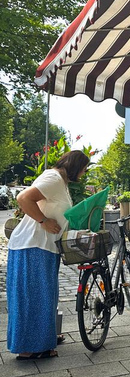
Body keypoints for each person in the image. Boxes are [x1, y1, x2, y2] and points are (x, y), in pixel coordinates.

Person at [6, 150, 90, 360]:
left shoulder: (60, 181)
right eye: (83, 169)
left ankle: (41, 340)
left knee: (43, 297)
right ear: (75, 166)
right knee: (33, 298)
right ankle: (29, 349)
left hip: (43, 247)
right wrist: (43, 221)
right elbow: (23, 198)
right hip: (33, 245)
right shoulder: (53, 178)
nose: (83, 174)